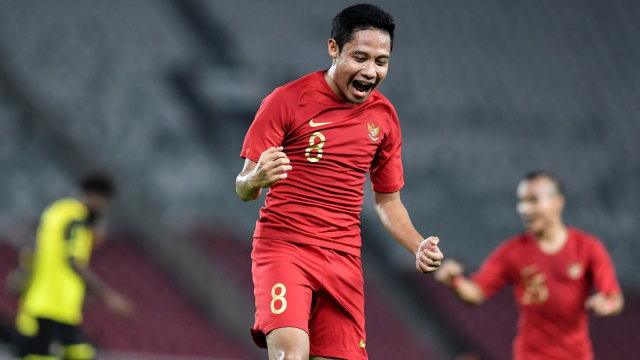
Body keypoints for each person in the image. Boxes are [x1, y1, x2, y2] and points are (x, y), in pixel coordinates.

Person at [235, 4, 443, 360]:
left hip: (343, 258)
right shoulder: (287, 100)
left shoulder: (385, 118)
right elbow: (244, 188)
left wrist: (417, 245)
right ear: (334, 48)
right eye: (360, 57)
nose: (370, 70)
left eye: (381, 61)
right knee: (291, 355)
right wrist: (256, 177)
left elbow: (388, 202)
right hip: (286, 247)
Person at [435, 171, 624, 360]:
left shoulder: (587, 248)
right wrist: (456, 282)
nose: (525, 209)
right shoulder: (513, 252)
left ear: (557, 202)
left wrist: (609, 304)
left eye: (533, 200)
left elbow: (614, 297)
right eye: (521, 201)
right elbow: (476, 293)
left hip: (576, 355)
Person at [10, 171, 132, 360]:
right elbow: (72, 261)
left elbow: (34, 248)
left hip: (47, 302)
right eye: (104, 204)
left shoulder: (56, 211)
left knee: (79, 353)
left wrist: (21, 273)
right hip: (54, 304)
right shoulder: (77, 220)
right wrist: (109, 296)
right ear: (96, 197)